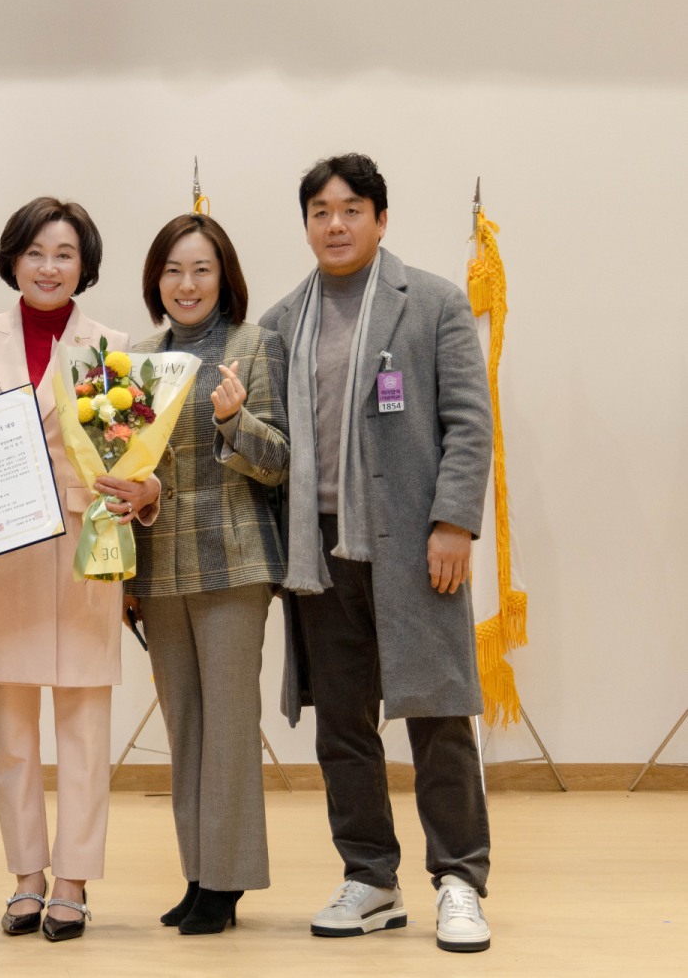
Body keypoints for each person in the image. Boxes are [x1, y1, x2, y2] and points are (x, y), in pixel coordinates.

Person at [262, 154, 494, 953]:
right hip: (317, 554)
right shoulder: (281, 321)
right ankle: (371, 876)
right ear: (307, 224)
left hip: (415, 543)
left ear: (381, 219)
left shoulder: (431, 302)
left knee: (437, 714)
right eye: (320, 211)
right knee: (345, 728)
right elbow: (273, 444)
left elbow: (468, 421)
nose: (335, 223)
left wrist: (454, 522)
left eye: (352, 209)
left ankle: (459, 878)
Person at [0, 197, 160, 941]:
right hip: (1, 547)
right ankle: (26, 877)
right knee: (10, 728)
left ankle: (72, 878)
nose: (49, 266)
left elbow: (129, 456)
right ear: (13, 257)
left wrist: (137, 491)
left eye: (65, 253)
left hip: (85, 542)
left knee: (83, 720)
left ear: (85, 265)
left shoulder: (111, 340)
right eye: (36, 251)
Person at [121, 213, 289, 935]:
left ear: (225, 277)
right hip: (159, 563)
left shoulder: (255, 346)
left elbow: (278, 458)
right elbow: (128, 468)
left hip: (234, 562)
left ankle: (227, 882)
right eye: (172, 271)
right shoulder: (136, 356)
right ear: (156, 280)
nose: (186, 284)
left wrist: (232, 421)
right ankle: (197, 873)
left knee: (227, 725)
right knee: (185, 726)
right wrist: (124, 571)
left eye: (201, 269)